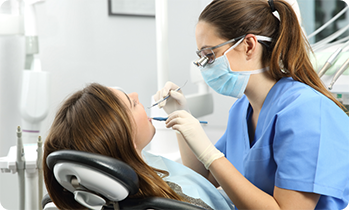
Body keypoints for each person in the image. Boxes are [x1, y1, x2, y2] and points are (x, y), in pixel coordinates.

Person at [154, 0, 349, 209]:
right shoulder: (241, 110)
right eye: (201, 57)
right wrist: (182, 118)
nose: (204, 66)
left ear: (249, 46)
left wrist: (211, 154)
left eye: (210, 55)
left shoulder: (307, 111)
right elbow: (206, 176)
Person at [43, 83, 233, 210]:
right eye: (132, 103)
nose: (136, 95)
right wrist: (210, 155)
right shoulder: (170, 201)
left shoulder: (135, 169)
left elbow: (194, 180)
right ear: (127, 140)